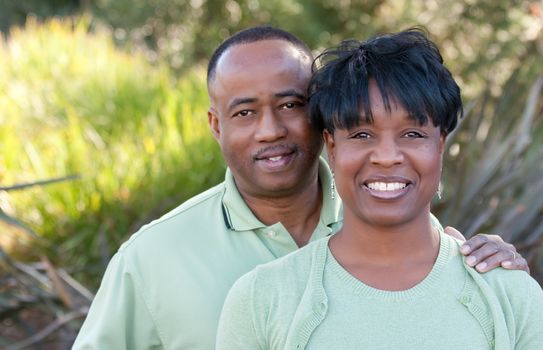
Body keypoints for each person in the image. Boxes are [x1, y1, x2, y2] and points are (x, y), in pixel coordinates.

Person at [73, 26, 529, 349]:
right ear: (216, 125)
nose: (270, 130)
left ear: (322, 119)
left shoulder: (386, 211)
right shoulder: (154, 258)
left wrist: (498, 273)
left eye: (291, 104)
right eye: (244, 112)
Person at [216, 28, 543, 350]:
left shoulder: (507, 292)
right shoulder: (262, 297)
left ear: (440, 145)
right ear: (331, 147)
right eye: (361, 134)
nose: (387, 157)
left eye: (412, 134)